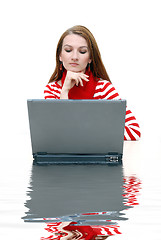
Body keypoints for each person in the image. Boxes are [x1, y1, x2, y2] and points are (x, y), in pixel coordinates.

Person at [44, 25, 141, 141]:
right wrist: (64, 91)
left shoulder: (103, 88)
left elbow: (134, 131)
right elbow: (56, 134)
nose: (74, 57)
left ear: (90, 58)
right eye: (68, 50)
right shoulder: (51, 89)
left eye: (82, 51)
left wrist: (84, 131)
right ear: (60, 55)